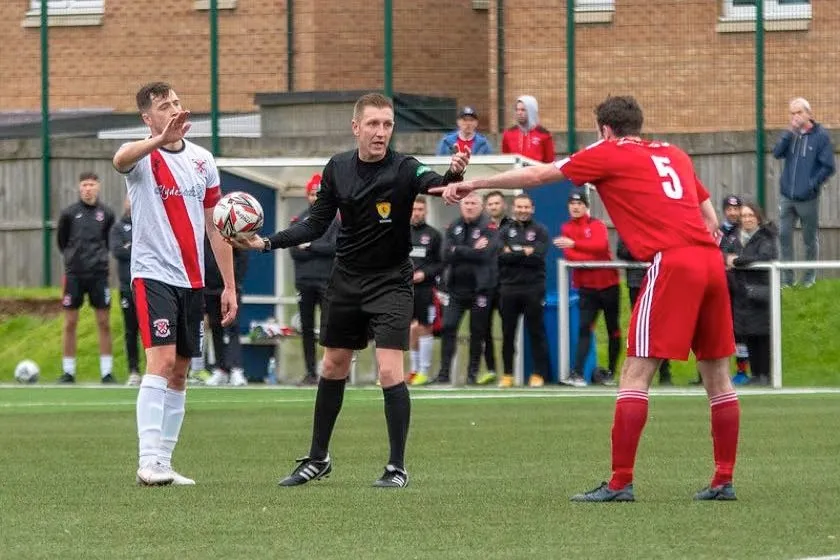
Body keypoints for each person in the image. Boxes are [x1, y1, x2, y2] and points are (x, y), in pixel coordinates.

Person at [434, 95, 740, 502]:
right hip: (710, 262)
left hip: (673, 261)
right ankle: (723, 479)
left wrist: (475, 183)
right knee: (717, 375)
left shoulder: (608, 151)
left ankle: (620, 483)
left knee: (635, 372)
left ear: (605, 129)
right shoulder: (673, 153)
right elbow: (708, 212)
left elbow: (539, 174)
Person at [230, 93, 469, 488]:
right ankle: (318, 458)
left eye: (387, 124)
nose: (380, 132)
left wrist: (454, 173)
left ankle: (396, 467)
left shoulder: (406, 167)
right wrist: (266, 242)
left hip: (391, 281)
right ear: (356, 127)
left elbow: (438, 184)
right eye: (373, 124)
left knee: (389, 370)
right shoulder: (337, 168)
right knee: (332, 366)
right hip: (346, 280)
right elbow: (315, 224)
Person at [112, 81, 238, 486]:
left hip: (193, 280)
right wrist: (158, 140)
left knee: (181, 371)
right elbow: (118, 159)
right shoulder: (142, 157)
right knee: (162, 362)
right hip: (153, 275)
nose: (174, 109)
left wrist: (229, 286)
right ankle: (147, 461)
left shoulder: (203, 159)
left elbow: (216, 226)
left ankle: (163, 462)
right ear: (147, 118)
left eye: (177, 102)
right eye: (165, 106)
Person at [556, 189, 621, 387]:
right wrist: (586, 253)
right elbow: (571, 256)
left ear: (586, 207)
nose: (575, 207)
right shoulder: (566, 227)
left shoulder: (597, 224)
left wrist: (575, 244)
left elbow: (600, 246)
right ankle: (577, 373)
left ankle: (611, 372)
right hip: (587, 288)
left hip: (609, 285)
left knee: (613, 329)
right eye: (572, 204)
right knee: (584, 329)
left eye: (579, 204)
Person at [434, 192, 500, 385]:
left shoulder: (489, 227)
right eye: (466, 203)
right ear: (461, 205)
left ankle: (472, 374)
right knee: (448, 327)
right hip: (456, 288)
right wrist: (471, 249)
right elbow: (445, 254)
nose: (469, 206)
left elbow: (485, 254)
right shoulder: (453, 226)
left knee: (477, 332)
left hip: (480, 288)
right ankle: (444, 374)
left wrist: (458, 249)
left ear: (481, 206)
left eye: (473, 203)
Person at [56, 171, 116, 384]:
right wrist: (73, 259)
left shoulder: (107, 214)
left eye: (91, 184)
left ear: (98, 187)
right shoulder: (69, 214)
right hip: (74, 275)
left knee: (104, 322)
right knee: (70, 322)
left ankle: (106, 372)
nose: (88, 189)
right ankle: (68, 371)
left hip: (99, 274)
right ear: (79, 188)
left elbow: (109, 242)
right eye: (84, 185)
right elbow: (62, 242)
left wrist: (99, 260)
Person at [772, 97, 835, 289]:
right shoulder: (791, 135)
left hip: (808, 198)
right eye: (792, 113)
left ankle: (809, 279)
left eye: (799, 112)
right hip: (787, 196)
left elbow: (828, 166)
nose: (795, 117)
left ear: (809, 113)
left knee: (809, 239)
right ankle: (787, 280)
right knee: (784, 236)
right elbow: (777, 153)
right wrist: (789, 132)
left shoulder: (820, 136)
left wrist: (811, 185)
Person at [289, 173, 340, 385]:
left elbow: (334, 248)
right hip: (304, 282)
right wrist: (318, 249)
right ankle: (310, 372)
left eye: (318, 194)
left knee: (330, 328)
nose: (315, 197)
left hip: (326, 281)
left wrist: (310, 246)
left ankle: (332, 370)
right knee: (307, 329)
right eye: (311, 194)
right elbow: (294, 251)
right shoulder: (298, 220)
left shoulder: (334, 220)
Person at [496, 193, 550, 388]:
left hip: (533, 288)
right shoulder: (504, 230)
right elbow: (500, 257)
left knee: (536, 332)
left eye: (526, 207)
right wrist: (525, 252)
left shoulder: (541, 230)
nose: (523, 210)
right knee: (508, 333)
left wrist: (513, 252)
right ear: (514, 208)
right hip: (508, 288)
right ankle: (507, 374)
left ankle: (538, 374)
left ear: (532, 209)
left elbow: (538, 256)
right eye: (519, 207)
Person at [726, 201, 778, 386]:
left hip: (760, 293)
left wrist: (737, 261)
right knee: (748, 334)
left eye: (750, 215)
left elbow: (764, 256)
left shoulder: (766, 237)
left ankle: (765, 374)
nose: (747, 219)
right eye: (744, 216)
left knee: (762, 335)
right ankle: (755, 374)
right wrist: (728, 258)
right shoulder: (734, 237)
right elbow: (724, 253)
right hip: (741, 294)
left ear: (758, 218)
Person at [615, 237, 671, 386]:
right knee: (639, 328)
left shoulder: (659, 229)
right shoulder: (629, 230)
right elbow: (621, 251)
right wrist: (644, 250)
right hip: (636, 282)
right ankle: (635, 371)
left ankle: (665, 372)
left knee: (660, 327)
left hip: (659, 281)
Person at [203, 235, 250, 387]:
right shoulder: (202, 232)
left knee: (232, 327)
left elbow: (242, 256)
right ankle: (221, 369)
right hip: (209, 288)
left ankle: (236, 369)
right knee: (215, 327)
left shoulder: (230, 229)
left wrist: (235, 284)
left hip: (230, 289)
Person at [407, 196, 443, 387]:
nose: (417, 213)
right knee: (410, 329)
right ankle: (413, 369)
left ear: (426, 211)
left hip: (426, 289)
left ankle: (424, 370)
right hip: (404, 289)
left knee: (424, 327)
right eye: (414, 209)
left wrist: (424, 273)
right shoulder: (401, 232)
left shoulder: (434, 235)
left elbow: (441, 263)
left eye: (420, 209)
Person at [475, 190, 510, 385]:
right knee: (484, 329)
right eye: (490, 204)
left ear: (503, 205)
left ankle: (509, 371)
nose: (494, 207)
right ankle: (490, 369)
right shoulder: (479, 228)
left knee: (507, 330)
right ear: (486, 207)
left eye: (497, 203)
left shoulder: (512, 226)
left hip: (506, 285)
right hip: (485, 285)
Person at [718, 195, 750, 385]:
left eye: (736, 209)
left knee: (739, 331)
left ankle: (741, 371)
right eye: (729, 209)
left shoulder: (743, 230)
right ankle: (711, 374)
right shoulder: (718, 231)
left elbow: (744, 254)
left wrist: (733, 259)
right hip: (720, 286)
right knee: (717, 330)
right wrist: (724, 258)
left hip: (738, 286)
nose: (733, 212)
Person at [110, 197, 142, 386]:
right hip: (127, 287)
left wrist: (130, 246)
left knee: (151, 330)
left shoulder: (147, 222)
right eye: (128, 198)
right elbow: (117, 251)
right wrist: (136, 248)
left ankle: (155, 370)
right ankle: (134, 371)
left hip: (148, 286)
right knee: (131, 330)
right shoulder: (118, 227)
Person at [501, 95, 555, 163]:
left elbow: (549, 162)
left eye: (523, 110)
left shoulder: (544, 135)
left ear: (531, 111)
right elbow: (505, 160)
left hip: (537, 169)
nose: (519, 113)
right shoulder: (508, 134)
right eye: (517, 110)